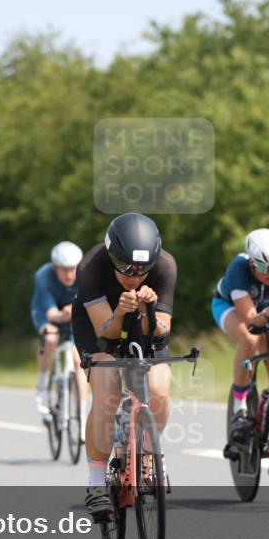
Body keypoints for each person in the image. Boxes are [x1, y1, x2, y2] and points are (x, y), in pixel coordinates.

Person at [71, 214, 176, 518]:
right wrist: (119, 313)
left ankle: (147, 452)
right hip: (98, 326)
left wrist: (149, 310)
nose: (134, 276)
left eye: (143, 270)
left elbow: (163, 330)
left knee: (158, 387)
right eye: (127, 268)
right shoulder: (90, 267)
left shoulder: (166, 266)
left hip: (144, 321)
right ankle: (95, 484)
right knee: (108, 389)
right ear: (111, 257)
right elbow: (107, 334)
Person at [211, 228, 269, 454]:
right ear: (252, 263)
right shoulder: (238, 271)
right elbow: (251, 319)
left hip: (268, 311)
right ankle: (240, 409)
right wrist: (268, 314)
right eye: (264, 268)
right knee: (251, 340)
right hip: (230, 307)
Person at [31, 241, 84, 417]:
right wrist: (64, 314)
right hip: (47, 312)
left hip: (72, 315)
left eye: (73, 268)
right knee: (50, 339)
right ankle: (43, 386)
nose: (70, 274)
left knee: (79, 360)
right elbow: (52, 314)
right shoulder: (43, 276)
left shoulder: (85, 275)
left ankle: (82, 410)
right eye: (64, 269)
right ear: (55, 267)